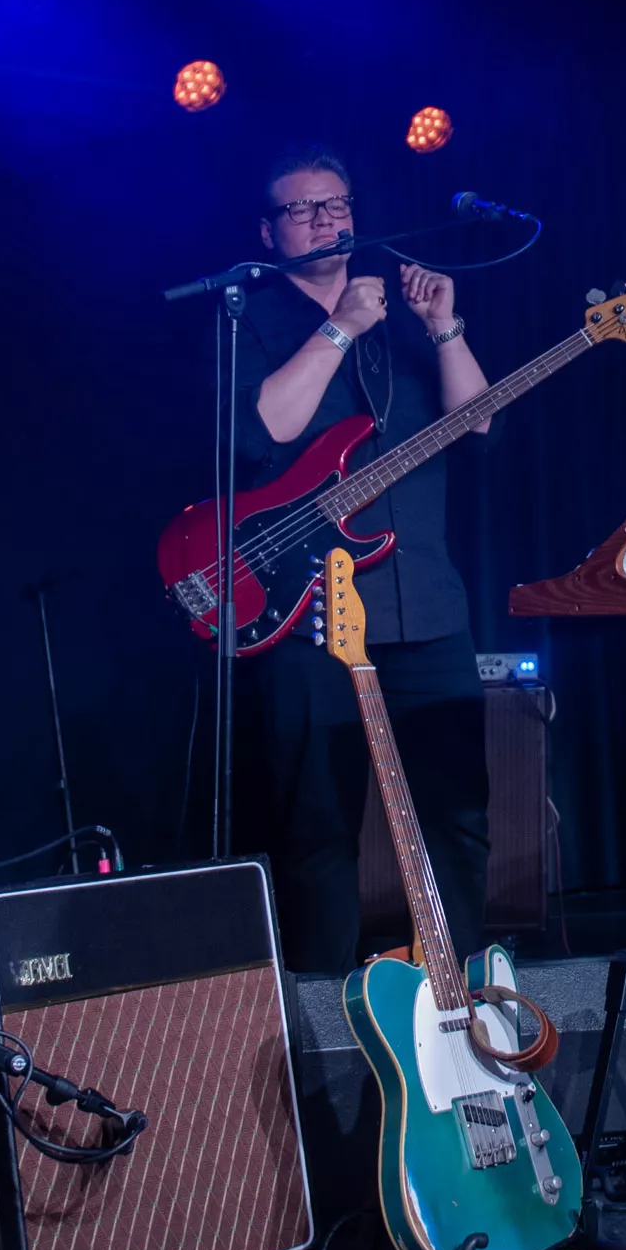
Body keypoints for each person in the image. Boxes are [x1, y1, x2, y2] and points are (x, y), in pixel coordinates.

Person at [235, 146, 499, 975]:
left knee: (459, 820)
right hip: (309, 615)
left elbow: (477, 422)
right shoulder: (250, 317)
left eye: (338, 204)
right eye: (304, 208)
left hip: (425, 605)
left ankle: (460, 1004)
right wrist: (340, 327)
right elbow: (267, 428)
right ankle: (324, 1015)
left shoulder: (402, 311)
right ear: (270, 231)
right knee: (317, 832)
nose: (326, 220)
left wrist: (444, 326)